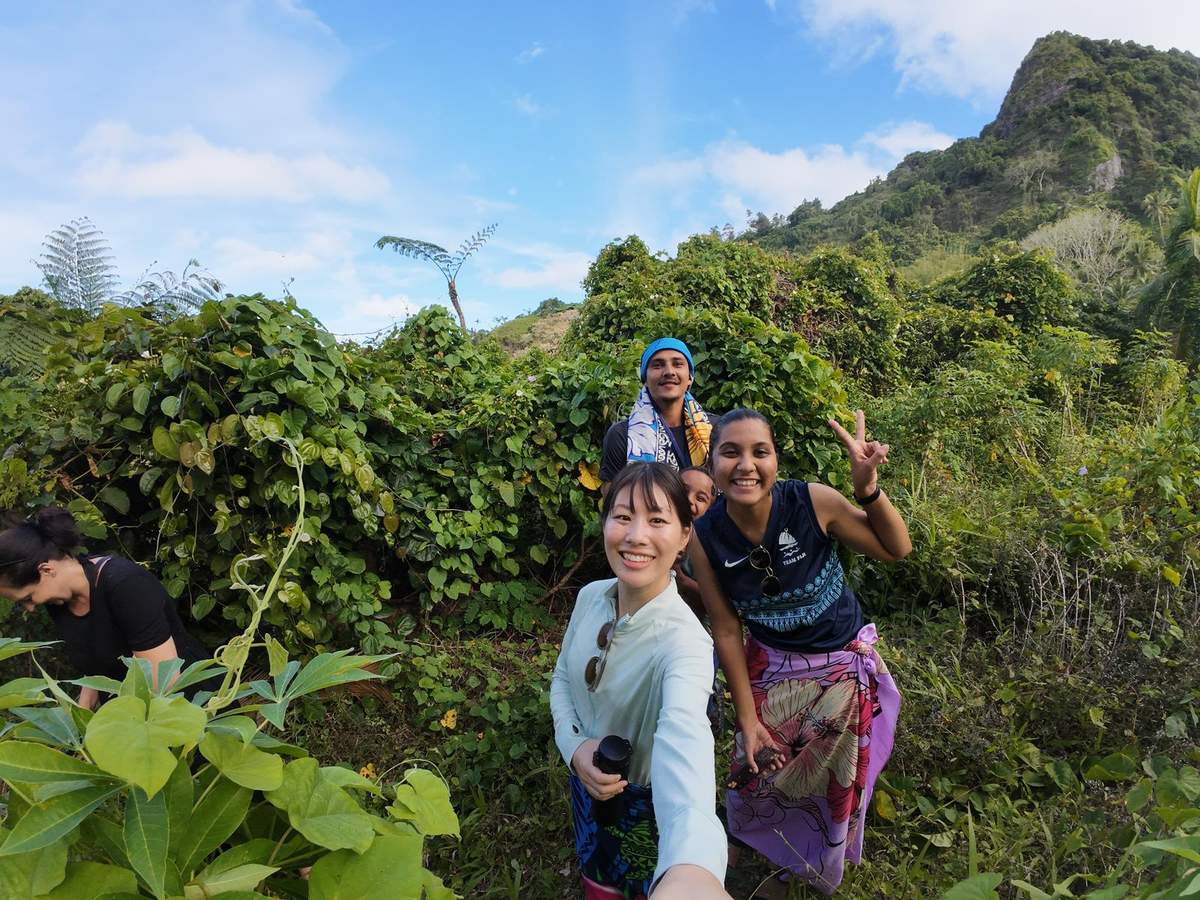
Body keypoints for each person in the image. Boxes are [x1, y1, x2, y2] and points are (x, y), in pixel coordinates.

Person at [688, 409, 911, 894]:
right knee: (758, 766)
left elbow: (897, 548)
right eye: (730, 452)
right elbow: (726, 630)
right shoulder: (704, 539)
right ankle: (752, 851)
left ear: (776, 461)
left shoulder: (812, 502)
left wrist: (867, 488)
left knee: (831, 778)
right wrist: (747, 720)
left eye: (759, 452)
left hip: (841, 663)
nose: (746, 464)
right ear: (712, 464)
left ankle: (811, 863)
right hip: (771, 663)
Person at [550, 462, 731, 899]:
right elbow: (560, 680)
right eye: (623, 516)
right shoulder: (591, 597)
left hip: (649, 808)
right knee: (596, 875)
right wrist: (576, 749)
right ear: (606, 522)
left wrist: (694, 870)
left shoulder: (685, 642)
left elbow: (686, 742)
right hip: (586, 781)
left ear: (685, 535)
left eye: (657, 520)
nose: (636, 536)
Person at [0, 507, 209, 708]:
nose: (30, 607)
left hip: (188, 708)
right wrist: (80, 725)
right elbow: (96, 666)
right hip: (128, 717)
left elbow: (164, 681)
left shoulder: (125, 584)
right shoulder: (59, 601)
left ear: (46, 570)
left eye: (28, 597)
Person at [599, 338, 718, 494]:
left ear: (690, 377)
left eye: (678, 364)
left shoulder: (716, 428)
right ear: (645, 379)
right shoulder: (622, 435)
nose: (669, 371)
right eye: (657, 365)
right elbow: (612, 497)